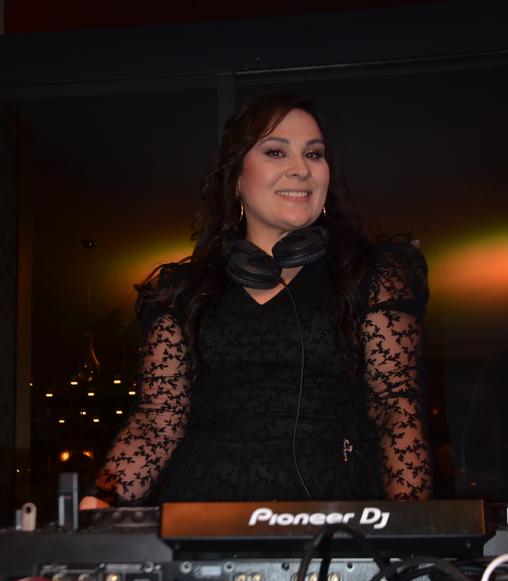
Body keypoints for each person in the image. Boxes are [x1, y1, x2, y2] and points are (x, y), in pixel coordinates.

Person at [80, 92, 431, 510]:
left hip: (333, 522)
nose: (301, 168)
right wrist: (100, 505)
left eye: (314, 154)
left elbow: (396, 408)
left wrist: (413, 524)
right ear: (236, 178)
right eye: (276, 152)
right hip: (203, 518)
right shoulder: (183, 293)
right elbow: (158, 421)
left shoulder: (370, 278)